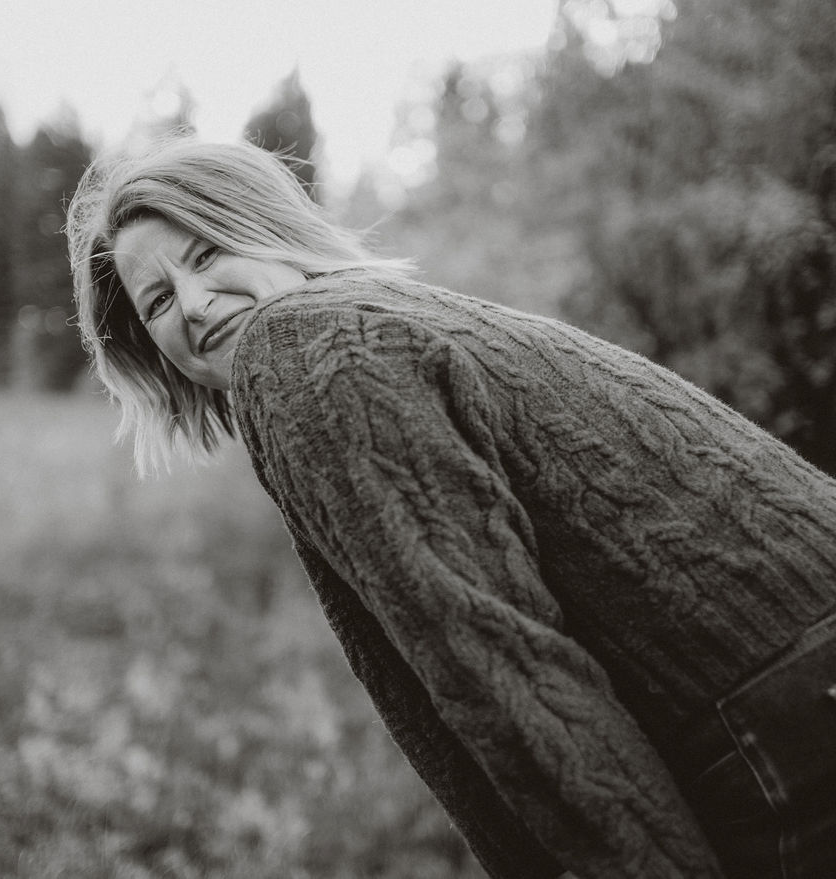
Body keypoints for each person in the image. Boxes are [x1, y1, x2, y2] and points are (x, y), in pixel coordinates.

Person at [66, 136, 836, 879]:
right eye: (159, 299)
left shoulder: (300, 349)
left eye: (207, 253)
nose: (195, 304)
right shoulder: (377, 318)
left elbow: (492, 649)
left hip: (784, 729)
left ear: (267, 229)